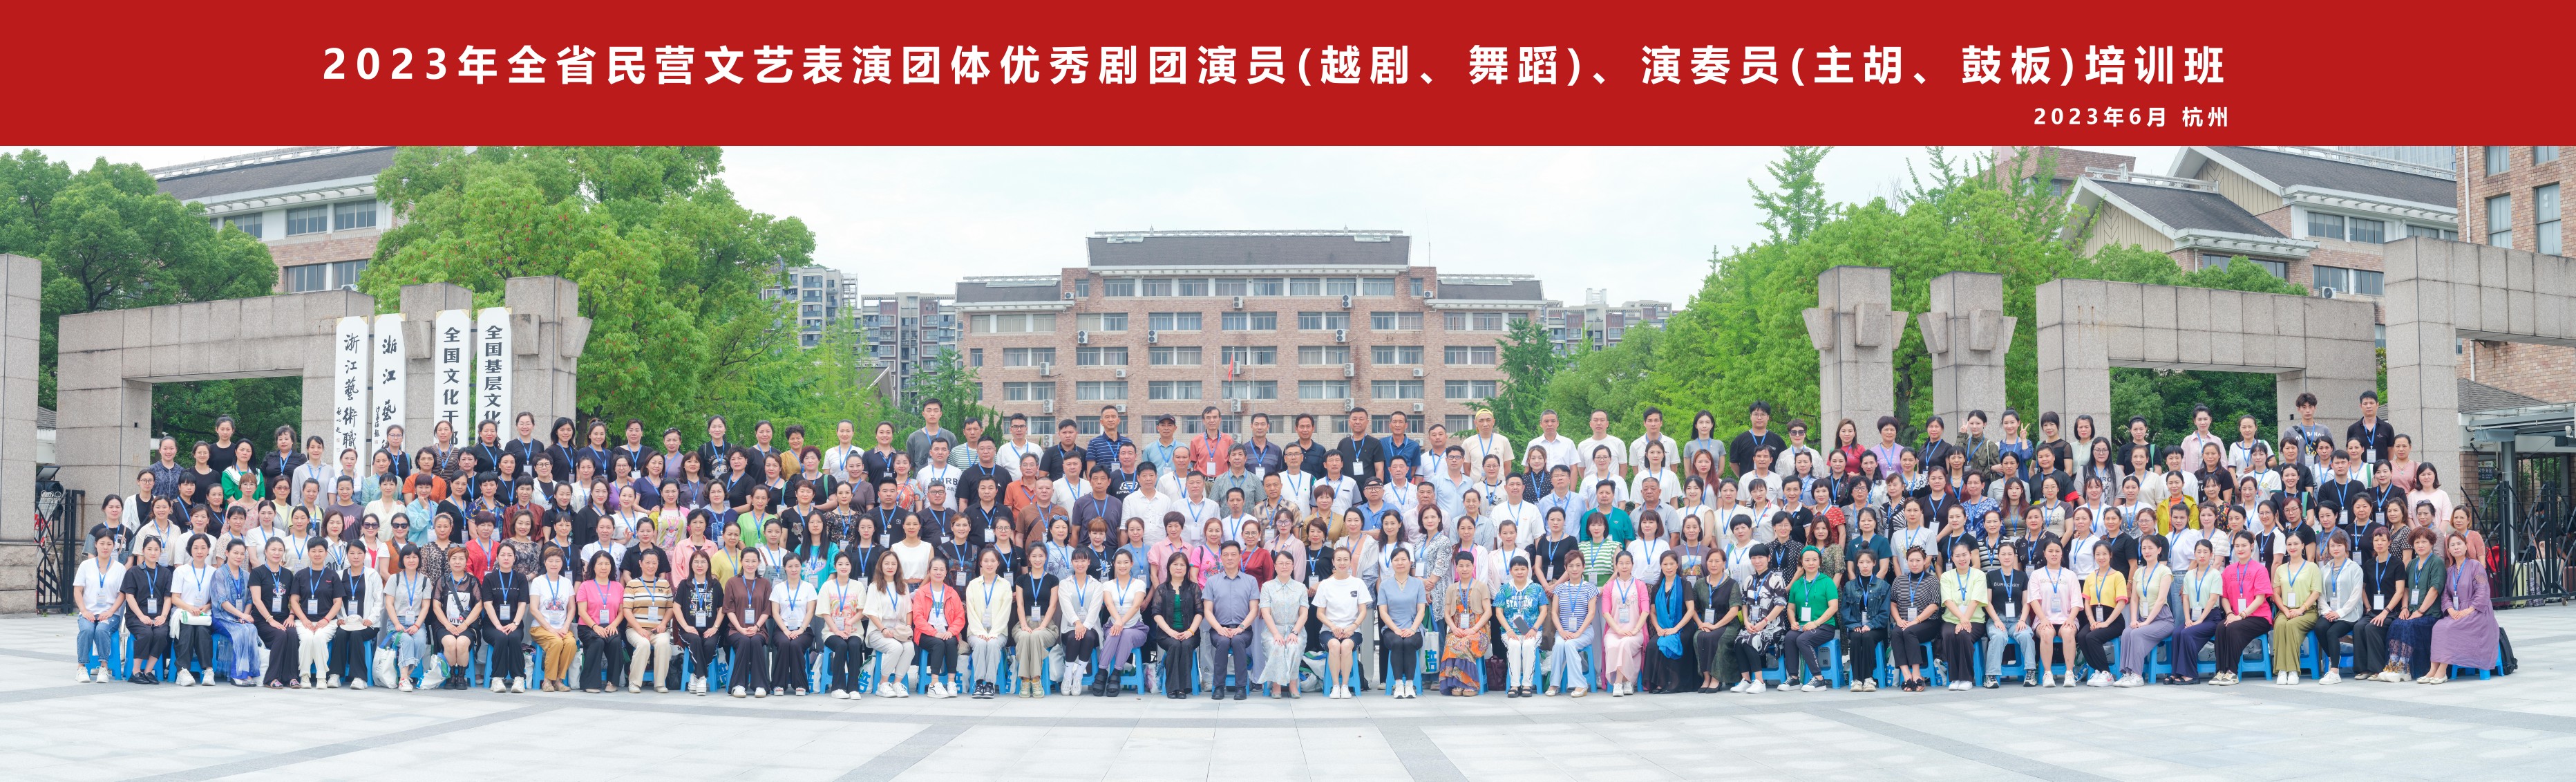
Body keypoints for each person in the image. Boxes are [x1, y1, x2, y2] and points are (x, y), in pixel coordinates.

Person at [2425, 530, 2497, 683]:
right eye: (2452, 545)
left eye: (2459, 544)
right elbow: (2446, 595)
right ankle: (2433, 669)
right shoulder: (2450, 570)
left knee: (2449, 628)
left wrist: (2470, 610)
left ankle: (2442, 671)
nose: (2456, 547)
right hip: (2457, 612)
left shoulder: (2476, 566)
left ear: (2466, 546)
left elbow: (2483, 590)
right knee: (2438, 627)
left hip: (2478, 612)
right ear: (2448, 550)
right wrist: (2450, 610)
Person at [2208, 532, 2275, 686]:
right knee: (2221, 627)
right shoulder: (2229, 570)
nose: (2240, 549)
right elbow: (2224, 597)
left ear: (2252, 546)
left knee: (2233, 628)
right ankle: (2221, 671)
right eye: (2237, 546)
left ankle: (2232, 672)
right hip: (2235, 616)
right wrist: (2230, 613)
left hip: (2258, 617)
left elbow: (2260, 599)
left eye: (2244, 545)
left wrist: (2242, 615)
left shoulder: (2260, 569)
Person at [1311, 546, 1372, 699]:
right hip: (1329, 630)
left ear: (1350, 562)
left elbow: (1363, 611)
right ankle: (1335, 686)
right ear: (1333, 562)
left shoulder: (1358, 583)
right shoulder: (1325, 585)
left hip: (1353, 631)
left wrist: (1353, 627)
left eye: (1345, 560)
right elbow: (1320, 613)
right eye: (1339, 560)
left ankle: (1345, 686)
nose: (1342, 563)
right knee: (1334, 645)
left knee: (1346, 646)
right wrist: (1332, 626)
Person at [1144, 551, 1204, 699]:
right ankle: (1173, 688)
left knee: (1186, 645)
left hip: (1190, 633)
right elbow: (1156, 613)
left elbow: (1200, 612)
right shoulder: (1162, 589)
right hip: (1166, 634)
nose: (1179, 568)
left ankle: (1183, 688)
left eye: (1182, 565)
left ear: (1187, 568)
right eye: (1175, 564)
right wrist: (1170, 631)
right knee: (1175, 645)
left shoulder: (1194, 588)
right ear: (1169, 567)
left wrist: (1190, 631)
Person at [2268, 529, 2323, 685]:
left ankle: (2292, 670)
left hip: (2307, 611)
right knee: (2280, 624)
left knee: (2291, 625)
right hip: (2285, 610)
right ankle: (2281, 670)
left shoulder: (2312, 567)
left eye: (2296, 544)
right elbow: (2276, 594)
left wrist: (2300, 610)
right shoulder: (2281, 569)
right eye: (2289, 544)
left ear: (2303, 546)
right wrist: (2285, 610)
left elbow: (2316, 593)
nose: (2292, 547)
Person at [1095, 550, 1150, 696]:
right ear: (1114, 564)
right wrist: (1118, 622)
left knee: (1125, 633)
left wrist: (1121, 622)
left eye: (1126, 562)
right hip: (1113, 625)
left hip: (1136, 627)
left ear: (1131, 564)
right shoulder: (1107, 585)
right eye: (1119, 562)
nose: (1122, 566)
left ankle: (1116, 673)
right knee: (1115, 633)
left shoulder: (1139, 584)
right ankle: (1102, 671)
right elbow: (1109, 604)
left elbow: (1136, 606)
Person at [862, 549, 917, 698]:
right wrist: (883, 629)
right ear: (881, 566)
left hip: (899, 630)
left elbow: (909, 610)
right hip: (878, 630)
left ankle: (897, 683)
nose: (890, 567)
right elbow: (871, 612)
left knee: (910, 648)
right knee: (896, 647)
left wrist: (908, 627)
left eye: (894, 564)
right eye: (887, 564)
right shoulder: (875, 586)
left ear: (898, 566)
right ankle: (883, 684)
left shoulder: (903, 586)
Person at [2026, 539, 2080, 688]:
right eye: (2050, 551)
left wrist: (2071, 618)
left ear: (2062, 554)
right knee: (2046, 633)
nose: (2054, 554)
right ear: (2044, 554)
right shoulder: (2037, 575)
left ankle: (2069, 673)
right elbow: (2033, 600)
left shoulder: (2070, 575)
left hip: (2067, 618)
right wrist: (2043, 619)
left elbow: (2076, 602)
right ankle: (2047, 673)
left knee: (2068, 632)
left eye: (2057, 551)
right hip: (2044, 619)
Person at [2074, 540, 2128, 687]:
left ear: (2111, 555)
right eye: (2098, 554)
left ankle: (2107, 673)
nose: (2101, 557)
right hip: (2095, 618)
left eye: (2104, 554)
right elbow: (2086, 602)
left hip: (2113, 621)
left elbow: (2121, 603)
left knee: (2092, 637)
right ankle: (2098, 670)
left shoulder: (2118, 576)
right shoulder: (2091, 577)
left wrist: (2107, 623)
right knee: (2082, 636)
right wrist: (2091, 621)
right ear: (2094, 556)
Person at [1787, 546, 1841, 691]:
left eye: (1814, 560)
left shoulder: (1827, 582)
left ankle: (1819, 679)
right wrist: (1793, 622)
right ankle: (1794, 678)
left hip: (1824, 626)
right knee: (1790, 637)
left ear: (1820, 562)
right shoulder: (1797, 584)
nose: (1811, 563)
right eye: (1807, 560)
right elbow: (1791, 608)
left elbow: (1833, 607)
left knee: (1803, 640)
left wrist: (1816, 623)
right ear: (1802, 562)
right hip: (1802, 626)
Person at [573, 551, 628, 693]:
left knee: (616, 642)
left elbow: (622, 611)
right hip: (588, 627)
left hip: (611, 626)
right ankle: (589, 683)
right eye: (600, 564)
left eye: (607, 564)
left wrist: (614, 625)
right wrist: (595, 626)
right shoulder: (585, 586)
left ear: (612, 567)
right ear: (593, 566)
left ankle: (612, 682)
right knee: (597, 642)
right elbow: (582, 612)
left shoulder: (618, 587)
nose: (604, 567)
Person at [622, 548, 675, 693]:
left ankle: (660, 684)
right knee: (643, 644)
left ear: (658, 564)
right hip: (635, 629)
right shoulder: (632, 584)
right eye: (647, 563)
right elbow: (627, 610)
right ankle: (634, 683)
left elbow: (670, 607)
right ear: (640, 563)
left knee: (664, 644)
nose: (651, 566)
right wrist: (639, 629)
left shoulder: (664, 584)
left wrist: (663, 624)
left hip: (659, 629)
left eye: (654, 563)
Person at [767, 553, 820, 696]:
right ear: (785, 568)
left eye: (797, 566)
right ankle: (778, 684)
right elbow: (775, 612)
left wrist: (801, 629)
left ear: (801, 567)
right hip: (782, 629)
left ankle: (800, 684)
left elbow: (811, 611)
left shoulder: (808, 587)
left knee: (796, 644)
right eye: (790, 566)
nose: (794, 569)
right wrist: (785, 630)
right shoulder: (778, 588)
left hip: (804, 630)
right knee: (784, 644)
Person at [1837, 550, 1886, 691]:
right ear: (1857, 564)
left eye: (1868, 562)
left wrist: (1871, 625)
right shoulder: (1849, 586)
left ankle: (1868, 679)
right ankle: (1857, 680)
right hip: (1856, 626)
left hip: (1876, 628)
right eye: (1861, 562)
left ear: (1874, 564)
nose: (1865, 566)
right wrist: (1854, 625)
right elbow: (1845, 610)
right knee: (1856, 637)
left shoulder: (1883, 585)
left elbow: (1885, 612)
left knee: (1868, 637)